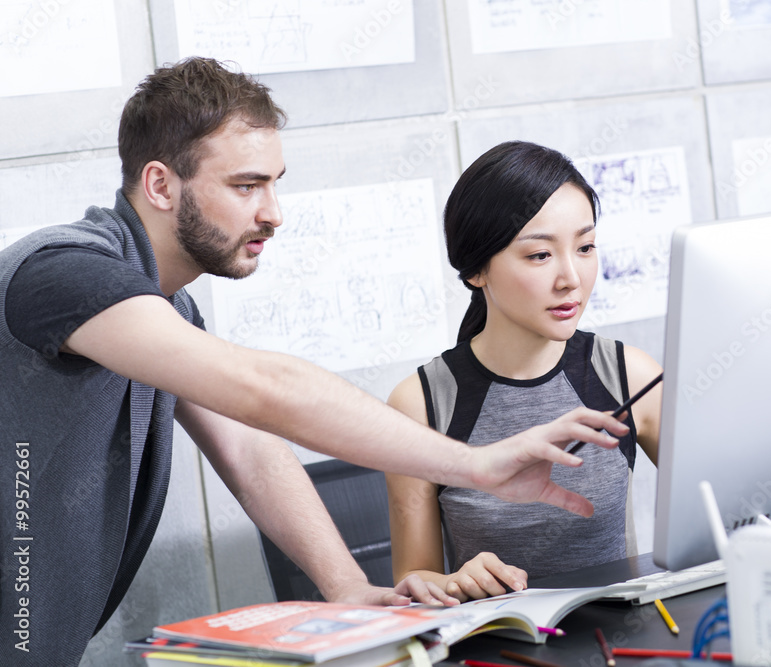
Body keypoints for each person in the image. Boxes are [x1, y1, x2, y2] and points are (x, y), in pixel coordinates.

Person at [0, 60, 628, 666]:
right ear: (161, 185)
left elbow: (250, 449)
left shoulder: (167, 308)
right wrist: (478, 465)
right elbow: (264, 390)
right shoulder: (61, 272)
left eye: (275, 183)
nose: (273, 212)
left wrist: (348, 589)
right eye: (246, 185)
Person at [385, 141, 663, 601]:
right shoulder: (420, 404)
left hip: (624, 639)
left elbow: (726, 507)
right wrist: (454, 581)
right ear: (477, 270)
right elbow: (412, 579)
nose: (571, 277)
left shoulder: (630, 376)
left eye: (586, 247)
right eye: (540, 255)